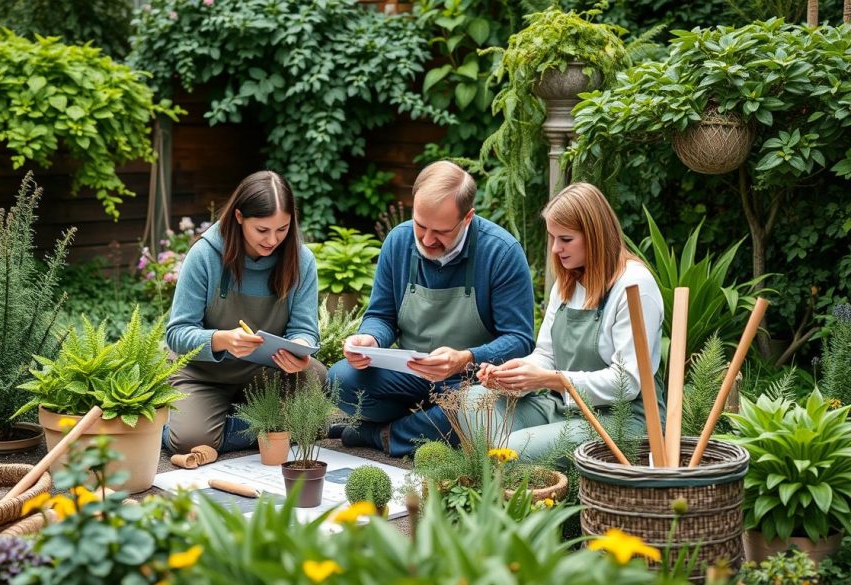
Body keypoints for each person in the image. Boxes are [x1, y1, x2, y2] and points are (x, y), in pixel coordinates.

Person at [328, 160, 535, 458]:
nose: (426, 240)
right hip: (410, 375)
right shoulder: (398, 241)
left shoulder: (500, 252)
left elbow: (520, 340)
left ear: (467, 218)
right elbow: (381, 316)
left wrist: (466, 358)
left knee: (480, 413)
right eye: (420, 225)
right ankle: (418, 426)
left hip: (471, 383)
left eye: (440, 231)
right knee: (341, 380)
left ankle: (382, 434)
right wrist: (370, 340)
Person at [463, 182, 665, 461]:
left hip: (623, 422)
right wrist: (514, 375)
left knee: (509, 453)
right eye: (552, 238)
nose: (556, 249)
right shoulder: (568, 281)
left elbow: (626, 383)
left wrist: (553, 380)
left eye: (566, 239)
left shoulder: (635, 285)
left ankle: (509, 471)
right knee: (472, 402)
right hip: (565, 409)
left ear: (595, 236)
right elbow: (546, 355)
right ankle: (512, 475)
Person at [164, 170, 326, 454]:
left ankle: (238, 425)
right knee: (190, 442)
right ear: (239, 217)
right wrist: (222, 340)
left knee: (316, 378)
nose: (273, 240)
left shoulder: (301, 261)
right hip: (203, 375)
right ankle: (261, 428)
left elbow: (305, 329)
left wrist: (299, 350)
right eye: (262, 230)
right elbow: (176, 334)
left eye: (283, 229)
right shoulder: (204, 256)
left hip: (264, 373)